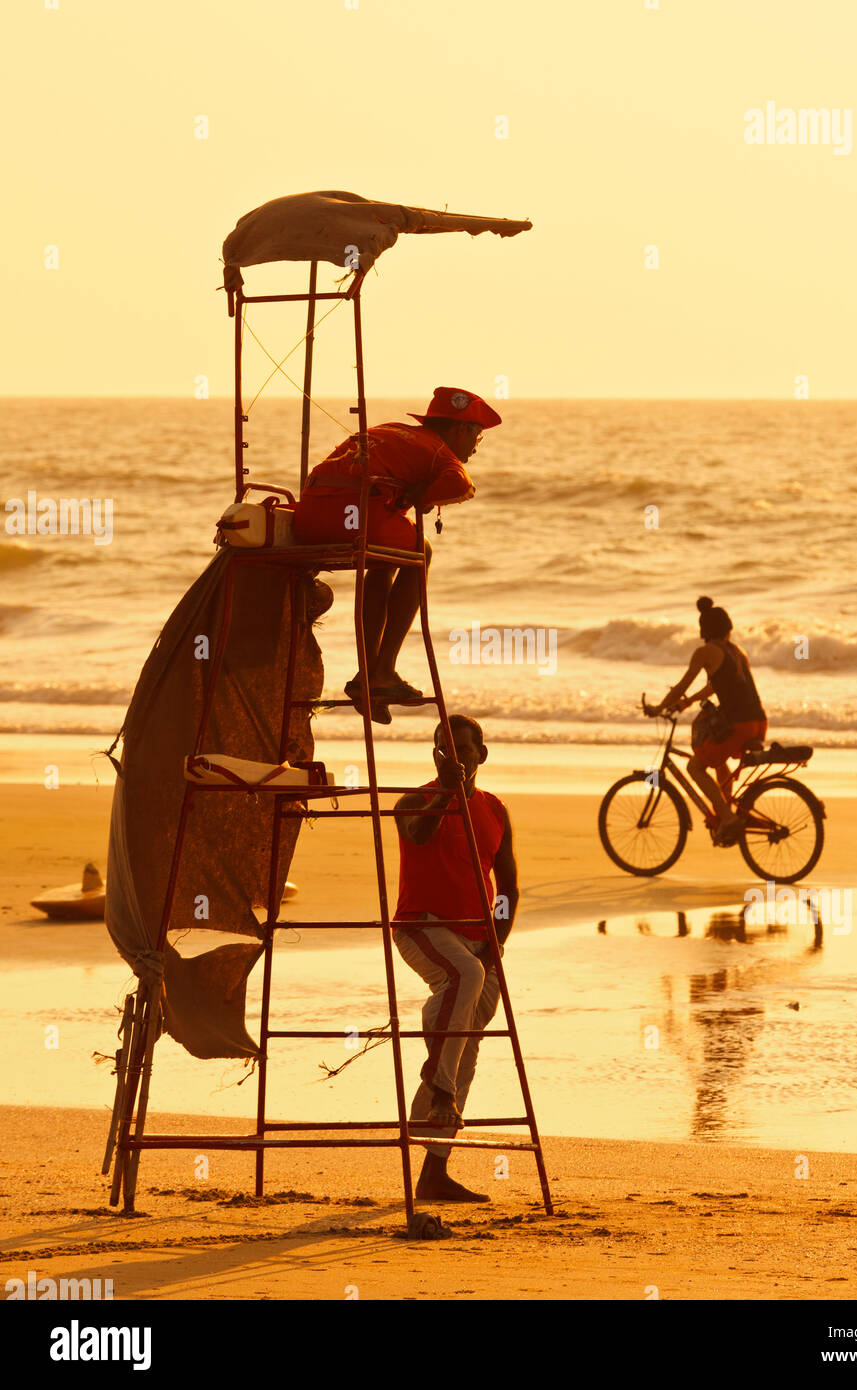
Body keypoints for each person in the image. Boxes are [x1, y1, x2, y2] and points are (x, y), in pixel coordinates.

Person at [294, 387, 502, 723]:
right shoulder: (438, 450)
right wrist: (422, 497)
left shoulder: (391, 429)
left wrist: (406, 496)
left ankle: (369, 674)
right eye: (477, 436)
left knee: (385, 561)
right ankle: (383, 670)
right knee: (422, 551)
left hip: (310, 517)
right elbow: (462, 486)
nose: (476, 447)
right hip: (353, 517)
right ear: (460, 429)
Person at [392, 715, 517, 1203]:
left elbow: (507, 887)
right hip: (421, 926)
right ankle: (438, 1089)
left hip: (479, 938)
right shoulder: (414, 801)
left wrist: (497, 939)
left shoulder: (495, 809)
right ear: (435, 756)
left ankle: (433, 1168)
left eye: (465, 751)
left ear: (480, 755)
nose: (456, 758)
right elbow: (420, 835)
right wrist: (448, 793)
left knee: (466, 1046)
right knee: (461, 978)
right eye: (446, 750)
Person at [647, 596, 767, 846]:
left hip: (738, 725)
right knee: (716, 756)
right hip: (757, 722)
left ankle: (727, 818)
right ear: (728, 628)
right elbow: (716, 685)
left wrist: (659, 707)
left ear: (703, 630)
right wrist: (688, 702)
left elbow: (683, 683)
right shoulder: (736, 652)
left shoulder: (705, 652)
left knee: (695, 768)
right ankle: (727, 811)